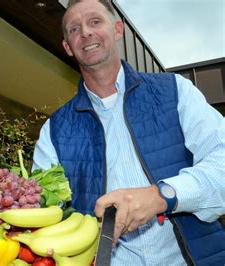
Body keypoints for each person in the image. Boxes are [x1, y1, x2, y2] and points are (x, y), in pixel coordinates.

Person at [32, 0, 225, 265]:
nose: (86, 32)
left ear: (118, 29)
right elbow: (44, 210)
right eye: (74, 29)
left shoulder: (175, 91)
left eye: (95, 21)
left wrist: (162, 196)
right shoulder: (53, 131)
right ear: (68, 47)